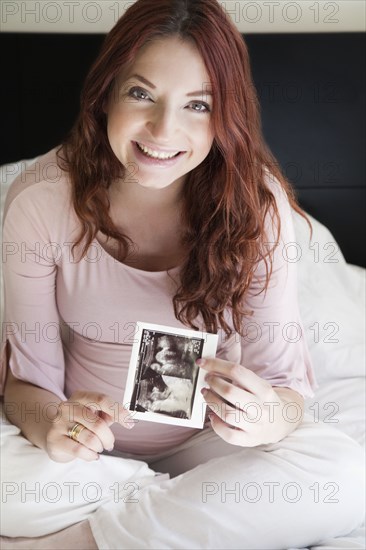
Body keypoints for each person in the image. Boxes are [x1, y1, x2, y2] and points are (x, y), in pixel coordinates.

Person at [1, 0, 364, 548]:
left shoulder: (255, 206)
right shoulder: (39, 200)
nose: (162, 130)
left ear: (226, 116)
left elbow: (286, 391)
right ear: (106, 94)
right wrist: (55, 425)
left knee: (342, 474)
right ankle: (185, 516)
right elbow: (26, 386)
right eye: (141, 94)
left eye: (198, 105)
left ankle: (76, 542)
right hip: (85, 456)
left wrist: (267, 418)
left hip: (207, 444)